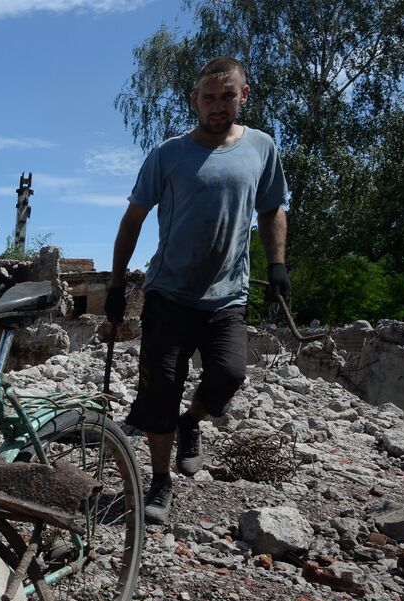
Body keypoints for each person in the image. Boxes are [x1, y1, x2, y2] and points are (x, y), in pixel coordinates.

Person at [104, 55, 290, 525]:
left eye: (227, 96)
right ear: (194, 101)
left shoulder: (262, 149)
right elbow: (133, 219)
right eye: (208, 97)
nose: (217, 106)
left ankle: (193, 422)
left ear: (243, 96)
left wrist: (278, 265)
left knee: (228, 374)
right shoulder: (167, 154)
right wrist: (115, 283)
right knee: (160, 394)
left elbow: (271, 211)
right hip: (168, 294)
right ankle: (161, 480)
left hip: (227, 295)